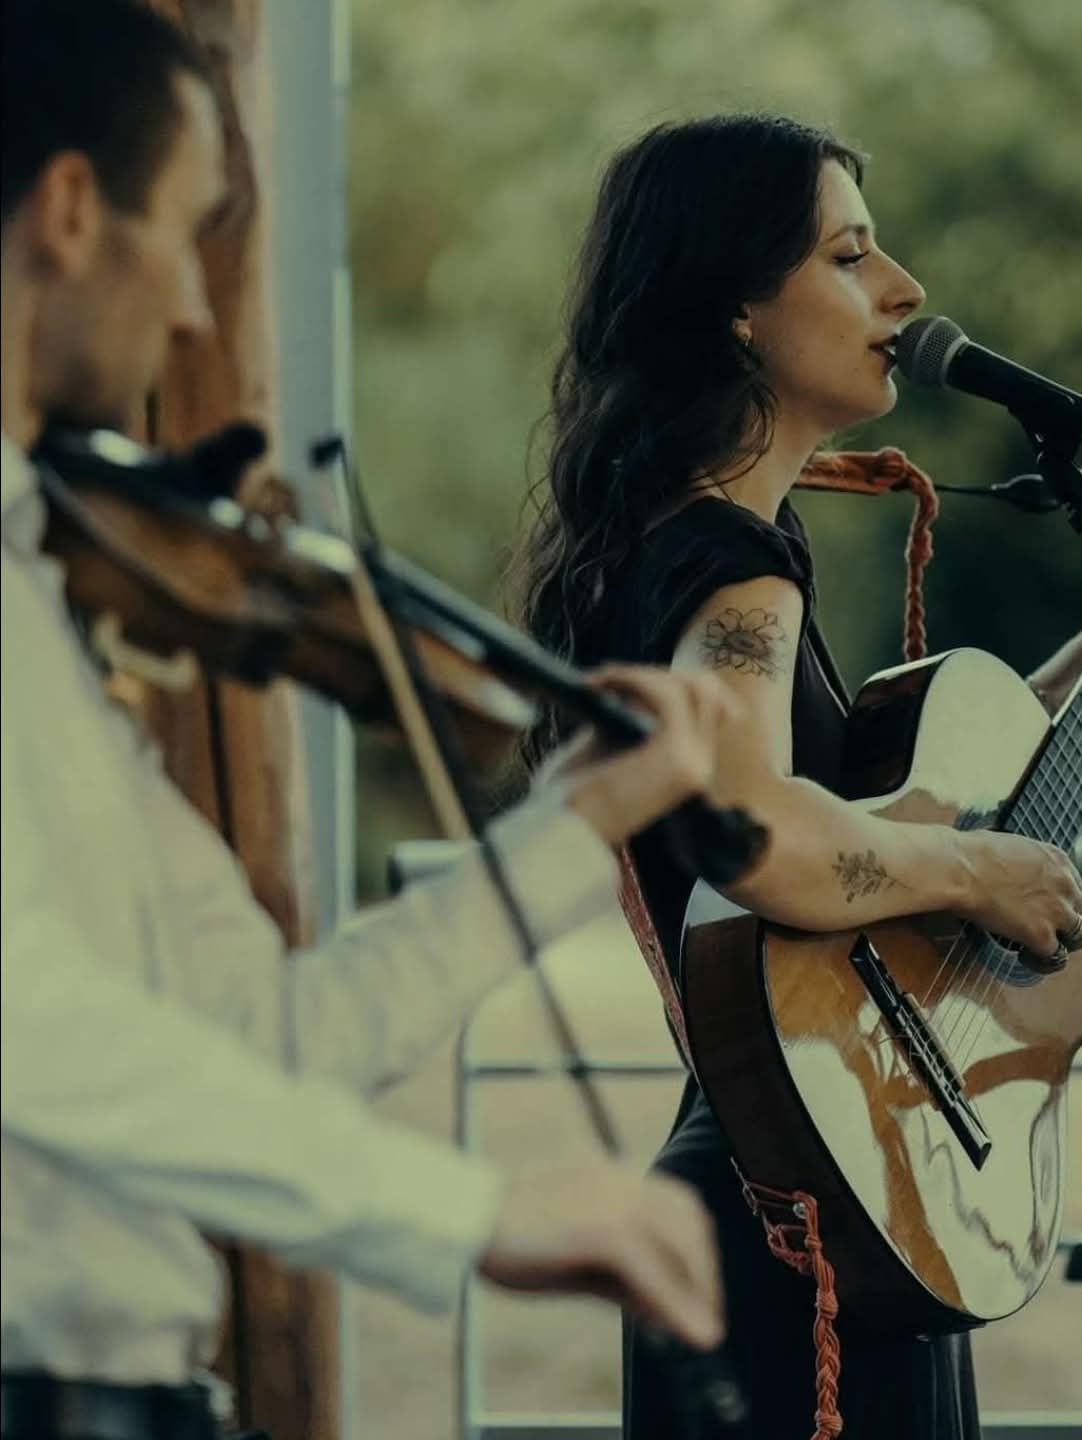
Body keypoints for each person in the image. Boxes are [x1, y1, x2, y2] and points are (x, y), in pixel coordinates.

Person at [0, 3, 741, 1436]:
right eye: (187, 234)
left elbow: (272, 1043)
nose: (195, 309)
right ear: (75, 209)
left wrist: (570, 828)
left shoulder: (39, 605)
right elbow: (24, 1022)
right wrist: (474, 1212)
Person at [514, 113, 1082, 1438]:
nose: (905, 291)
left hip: (821, 1184)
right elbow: (758, 833)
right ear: (739, 308)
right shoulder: (730, 567)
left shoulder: (686, 544)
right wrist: (976, 870)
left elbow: (863, 815)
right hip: (803, 1229)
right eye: (851, 256)